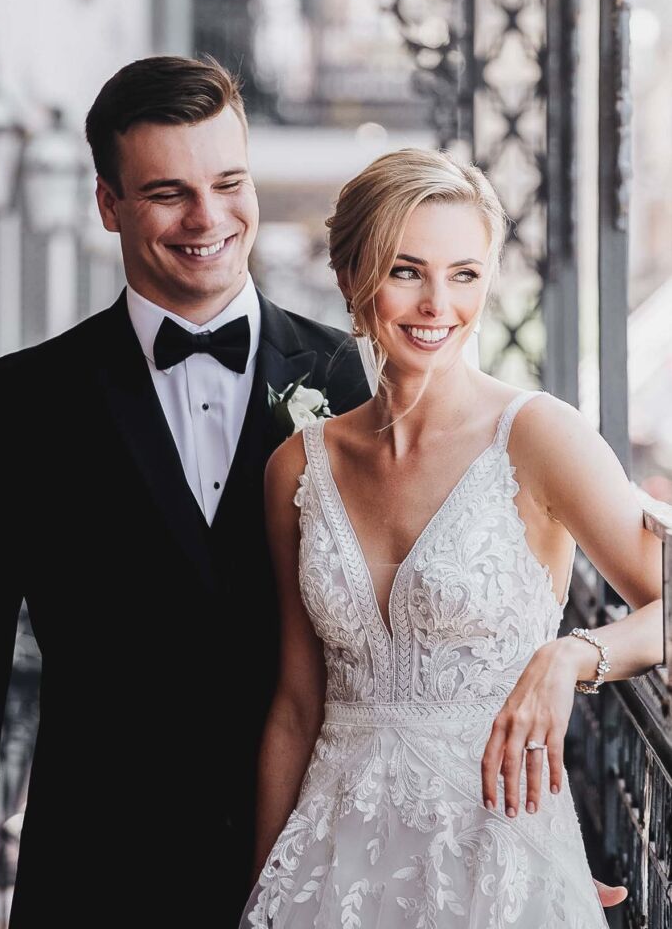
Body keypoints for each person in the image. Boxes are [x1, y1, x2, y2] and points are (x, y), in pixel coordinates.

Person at [0, 56, 372, 927]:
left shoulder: (354, 383)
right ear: (108, 204)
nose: (207, 218)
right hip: (96, 873)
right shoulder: (19, 403)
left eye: (228, 183)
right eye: (168, 193)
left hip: (319, 866)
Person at [241, 148, 661, 927]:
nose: (438, 303)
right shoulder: (296, 468)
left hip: (496, 862)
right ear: (350, 275)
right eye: (406, 271)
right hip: (329, 871)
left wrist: (571, 656)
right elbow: (297, 705)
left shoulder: (538, 435)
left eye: (463, 274)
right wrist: (261, 894)